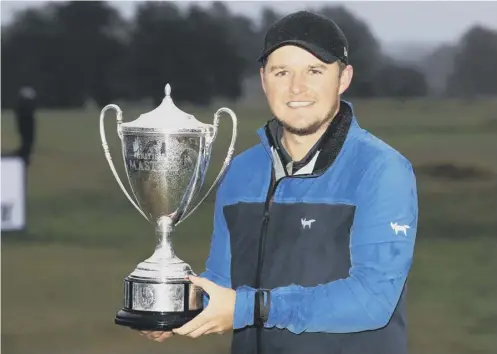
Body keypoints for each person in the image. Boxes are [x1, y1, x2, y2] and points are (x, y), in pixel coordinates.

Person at [141, 10, 418, 354]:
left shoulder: (381, 170)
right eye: (281, 71)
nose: (296, 87)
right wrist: (171, 307)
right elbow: (223, 285)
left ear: (343, 78)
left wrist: (250, 309)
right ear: (263, 78)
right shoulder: (241, 171)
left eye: (314, 71)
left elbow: (373, 300)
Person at [14, 86, 37, 166]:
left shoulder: (20, 107)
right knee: (27, 139)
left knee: (27, 139)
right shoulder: (24, 108)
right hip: (26, 123)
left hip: (25, 123)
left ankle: (24, 153)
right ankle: (24, 155)